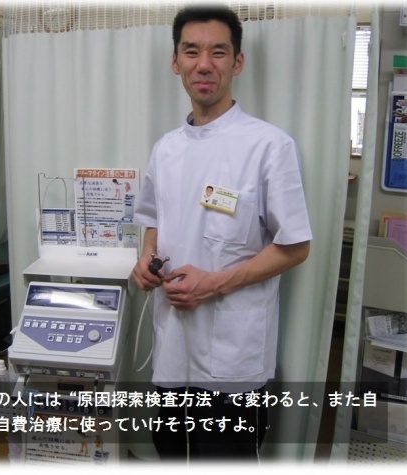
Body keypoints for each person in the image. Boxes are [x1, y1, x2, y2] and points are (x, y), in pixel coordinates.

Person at [131, 5, 312, 461]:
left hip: (233, 354)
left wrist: (214, 284)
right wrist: (146, 257)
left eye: (218, 52)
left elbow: (295, 246)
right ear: (176, 62)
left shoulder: (269, 146)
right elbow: (152, 218)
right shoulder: (166, 149)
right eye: (191, 51)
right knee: (171, 453)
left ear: (237, 62)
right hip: (172, 345)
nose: (204, 64)